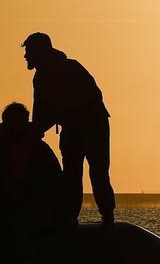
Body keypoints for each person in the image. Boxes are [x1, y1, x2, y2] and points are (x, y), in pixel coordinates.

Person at [22, 31, 114, 227]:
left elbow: (86, 99)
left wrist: (40, 127)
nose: (26, 56)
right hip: (72, 128)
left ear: (41, 51)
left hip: (93, 126)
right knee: (71, 175)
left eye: (29, 51)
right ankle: (70, 217)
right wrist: (35, 130)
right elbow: (41, 112)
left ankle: (107, 216)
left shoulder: (71, 68)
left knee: (97, 172)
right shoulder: (40, 78)